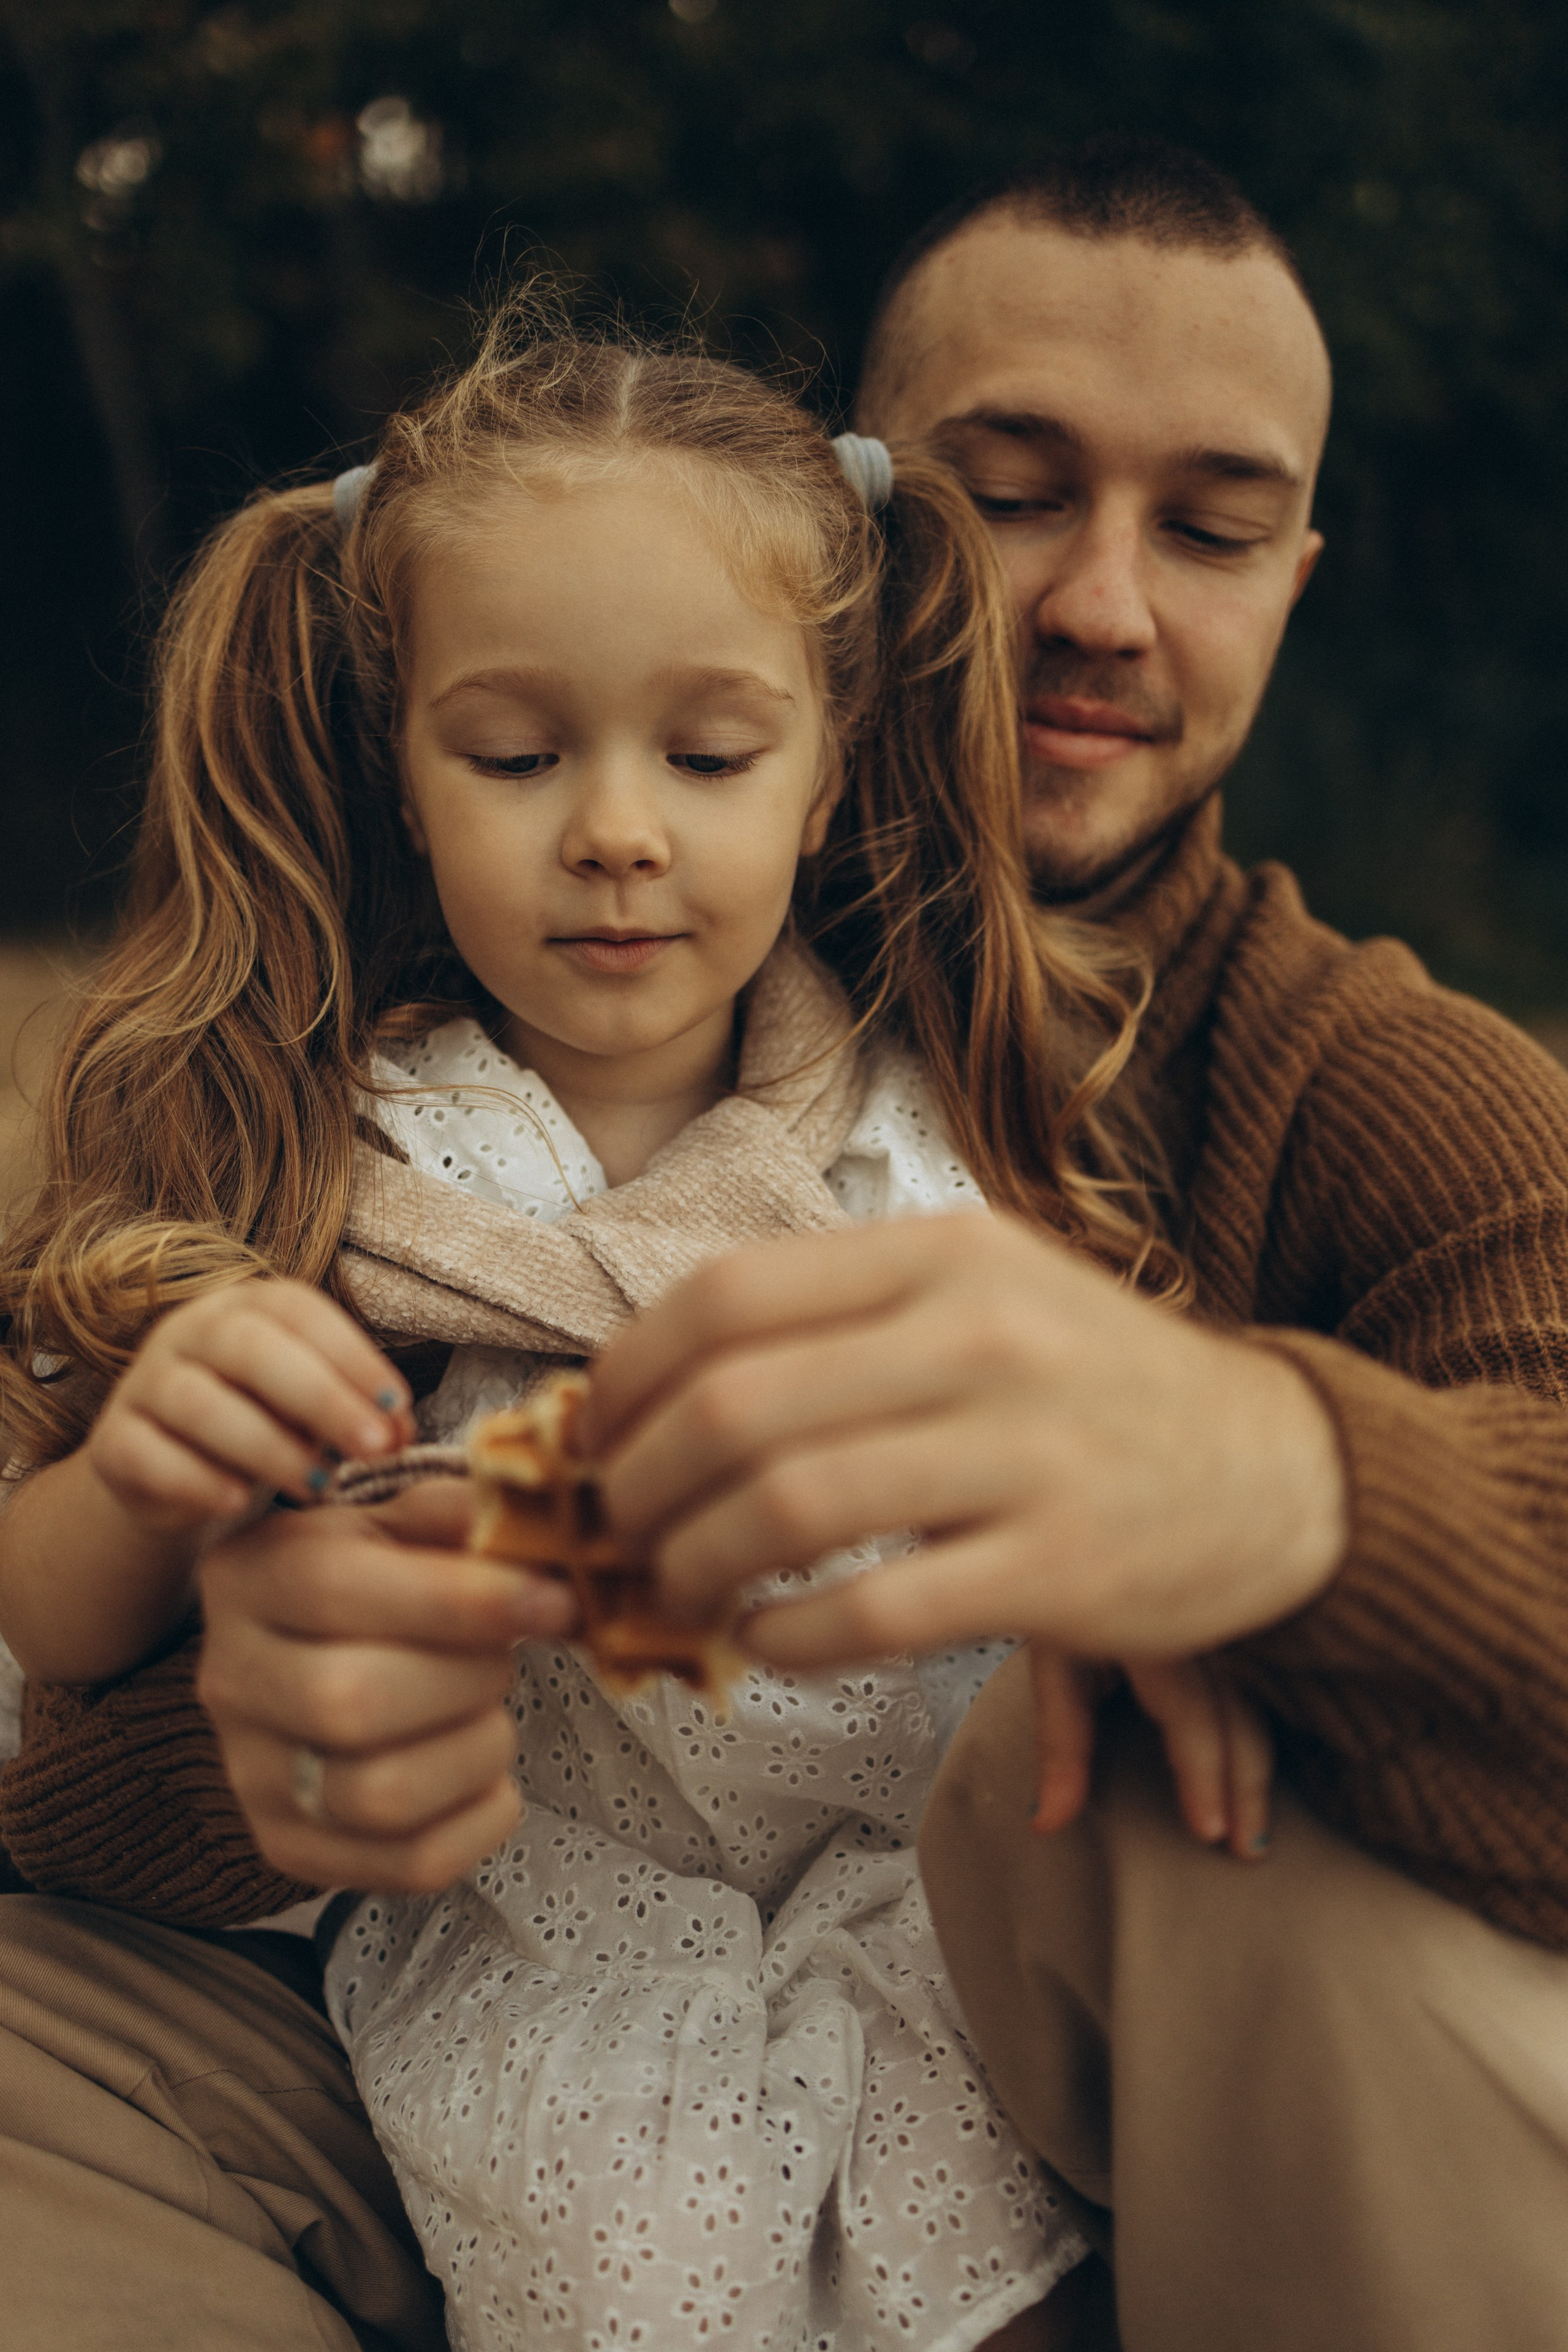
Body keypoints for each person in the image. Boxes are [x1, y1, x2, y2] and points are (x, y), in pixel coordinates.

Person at [7, 134, 1567, 2350]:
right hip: (474, 1988)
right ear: (856, 532)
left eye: (1211, 528)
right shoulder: (314, 1055)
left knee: (1266, 1840)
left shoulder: (1315, 1072)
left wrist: (1284, 1497)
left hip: (990, 2014)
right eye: (1012, 494)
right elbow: (45, 1625)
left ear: (1301, 572)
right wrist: (225, 1731)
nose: (1105, 605)